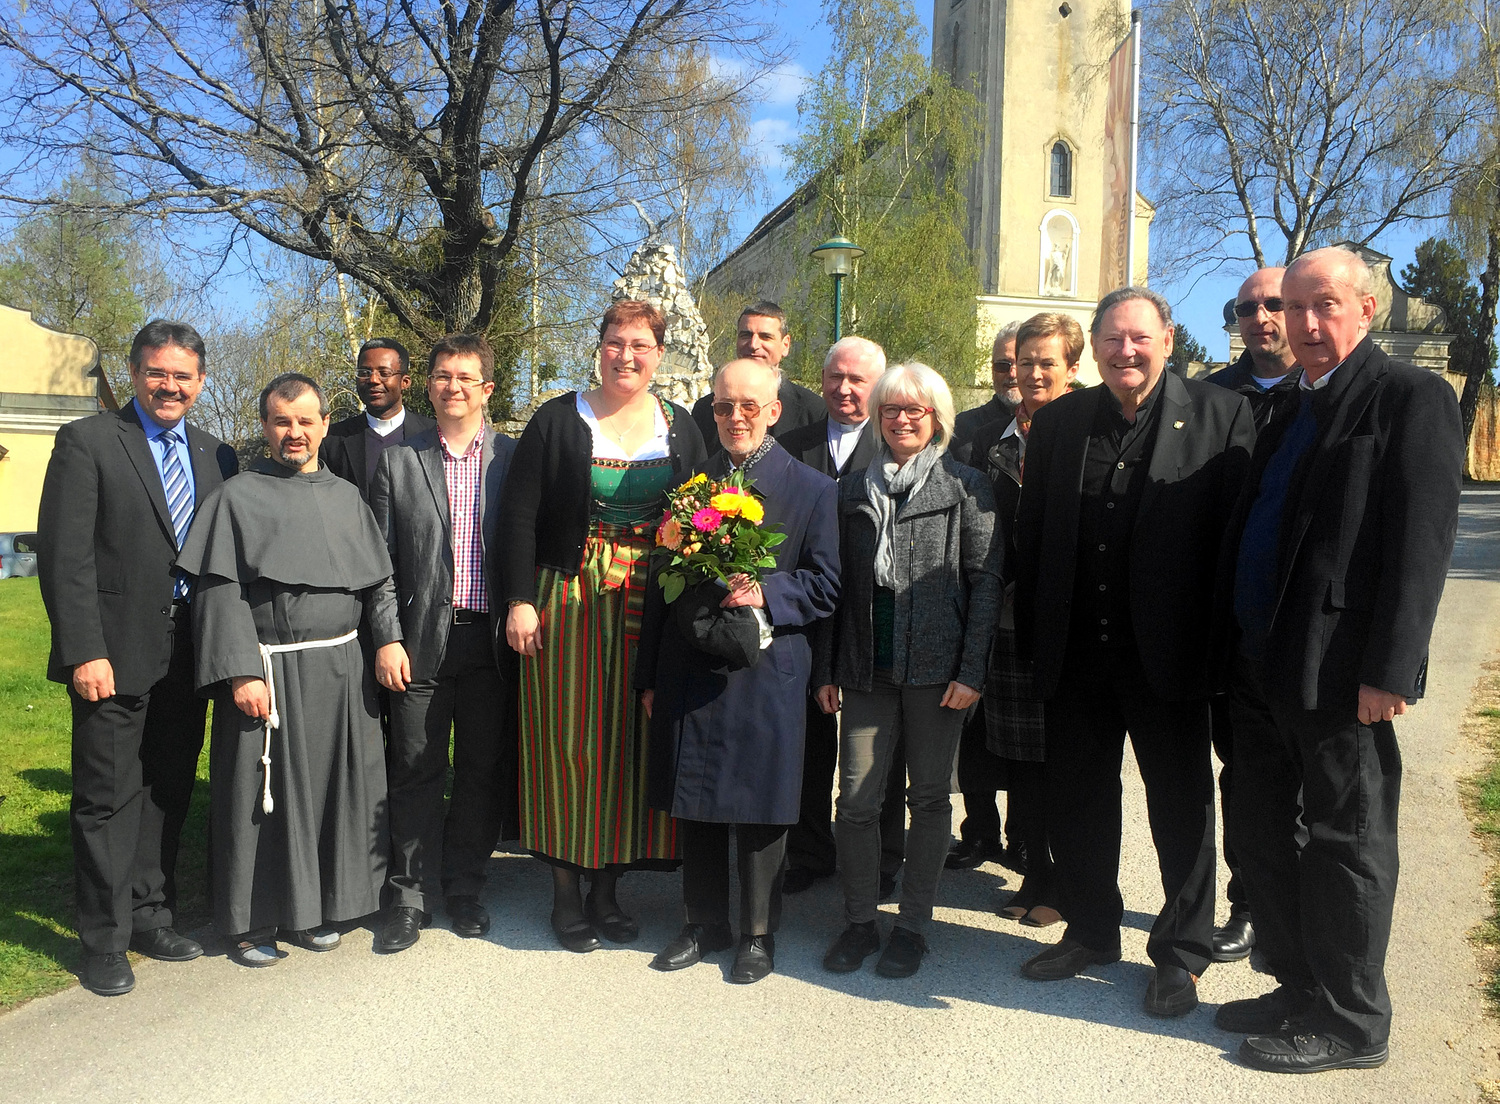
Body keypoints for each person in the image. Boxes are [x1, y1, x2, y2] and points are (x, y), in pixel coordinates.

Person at [1220, 247, 1463, 1073]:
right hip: (1259, 666)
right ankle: (1297, 987)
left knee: (1345, 843)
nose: (1306, 323)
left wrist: (1392, 670)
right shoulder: (1290, 405)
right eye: (1293, 307)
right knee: (1261, 834)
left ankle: (1354, 1022)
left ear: (1366, 307)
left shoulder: (1409, 397)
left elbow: (1422, 543)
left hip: (1337, 671)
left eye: (1324, 304)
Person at [1012, 287, 1254, 1017]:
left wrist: (1222, 651)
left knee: (1180, 806)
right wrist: (1036, 642)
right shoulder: (1059, 424)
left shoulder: (1221, 415)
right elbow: (1034, 536)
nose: (1126, 351)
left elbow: (1232, 546)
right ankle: (1091, 930)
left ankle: (1181, 953)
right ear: (1094, 347)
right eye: (1113, 339)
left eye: (1140, 338)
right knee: (1080, 801)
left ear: (1167, 340)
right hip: (1077, 654)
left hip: (1171, 655)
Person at [38, 320, 238, 996]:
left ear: (201, 382)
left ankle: (152, 915)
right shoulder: (89, 441)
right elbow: (64, 558)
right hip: (113, 654)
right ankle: (103, 939)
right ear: (133, 373)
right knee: (106, 798)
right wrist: (83, 651)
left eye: (183, 376)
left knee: (168, 787)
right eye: (157, 372)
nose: (169, 386)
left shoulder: (217, 455)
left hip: (189, 654)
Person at [499, 299, 705, 953]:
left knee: (628, 741)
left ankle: (608, 891)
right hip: (567, 594)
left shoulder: (680, 425)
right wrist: (519, 600)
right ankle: (565, 894)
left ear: (659, 354)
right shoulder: (558, 419)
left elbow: (703, 514)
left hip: (650, 596)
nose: (626, 355)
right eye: (616, 342)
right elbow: (518, 515)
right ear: (600, 347)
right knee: (566, 738)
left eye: (640, 345)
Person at [178, 373, 399, 967]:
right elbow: (218, 593)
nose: (294, 432)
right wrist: (240, 672)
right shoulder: (236, 498)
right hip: (268, 672)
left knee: (330, 792)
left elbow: (377, 581)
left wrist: (389, 642)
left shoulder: (347, 497)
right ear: (265, 427)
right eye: (281, 421)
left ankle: (313, 911)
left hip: (342, 671)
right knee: (260, 798)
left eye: (305, 420)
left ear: (325, 424)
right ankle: (250, 923)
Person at [640, 357, 840, 984]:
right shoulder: (690, 487)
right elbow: (658, 586)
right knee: (696, 798)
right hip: (691, 663)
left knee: (761, 804)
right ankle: (703, 923)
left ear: (774, 411)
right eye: (724, 406)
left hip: (767, 670)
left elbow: (827, 584)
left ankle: (757, 933)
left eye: (749, 405)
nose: (735, 417)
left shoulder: (812, 490)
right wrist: (648, 675)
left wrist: (766, 591)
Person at [815, 363, 1000, 979]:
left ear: (936, 419)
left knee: (928, 799)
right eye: (890, 409)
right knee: (856, 803)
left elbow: (985, 581)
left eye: (914, 410)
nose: (901, 420)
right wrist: (826, 668)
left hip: (937, 674)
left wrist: (971, 670)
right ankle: (859, 921)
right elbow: (835, 587)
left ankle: (913, 927)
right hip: (865, 669)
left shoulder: (965, 487)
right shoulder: (850, 491)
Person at [368, 334, 518, 953]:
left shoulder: (512, 460)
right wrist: (387, 637)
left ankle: (464, 887)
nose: (452, 386)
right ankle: (409, 895)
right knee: (415, 768)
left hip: (491, 644)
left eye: (465, 377)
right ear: (427, 386)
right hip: (421, 643)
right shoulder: (399, 462)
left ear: (487, 389)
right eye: (441, 376)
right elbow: (378, 563)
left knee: (481, 771)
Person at [776, 336, 907, 899]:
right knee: (808, 741)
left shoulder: (896, 444)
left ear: (879, 387)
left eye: (858, 380)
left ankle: (882, 858)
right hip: (807, 615)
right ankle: (809, 850)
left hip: (874, 617)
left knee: (881, 748)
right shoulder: (789, 446)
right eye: (836, 377)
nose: (845, 389)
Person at [1201, 267, 1302, 964]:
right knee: (1241, 771)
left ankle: (1301, 910)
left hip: (1303, 624)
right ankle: (1249, 902)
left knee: (1311, 782)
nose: (1261, 317)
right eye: (1247, 308)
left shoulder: (1325, 394)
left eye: (1273, 304)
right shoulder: (1210, 398)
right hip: (1231, 623)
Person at [982, 313, 1082, 927]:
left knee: (1066, 761)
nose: (1034, 373)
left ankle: (1068, 881)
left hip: (1071, 623)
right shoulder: (997, 443)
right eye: (1025, 362)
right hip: (1011, 621)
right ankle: (1036, 872)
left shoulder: (1090, 431)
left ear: (1073, 367)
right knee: (1021, 758)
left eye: (1048, 362)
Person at [947, 323, 1022, 871]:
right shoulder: (969, 429)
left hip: (1028, 593)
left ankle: (1024, 835)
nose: (1012, 373)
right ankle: (978, 830)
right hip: (974, 589)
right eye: (1001, 364)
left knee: (1024, 727)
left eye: (1021, 361)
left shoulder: (1061, 422)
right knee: (972, 727)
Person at [690, 301, 823, 451]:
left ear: (785, 345)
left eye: (765, 337)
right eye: (746, 335)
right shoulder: (706, 411)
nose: (754, 345)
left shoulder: (812, 413)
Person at [322, 337, 436, 501]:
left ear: (405, 382)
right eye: (364, 373)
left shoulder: (433, 435)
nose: (373, 380)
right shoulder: (332, 439)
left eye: (384, 373)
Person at [951, 321, 1021, 464]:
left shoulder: (1052, 427)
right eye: (1002, 365)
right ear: (992, 369)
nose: (1012, 374)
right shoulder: (961, 430)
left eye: (1022, 364)